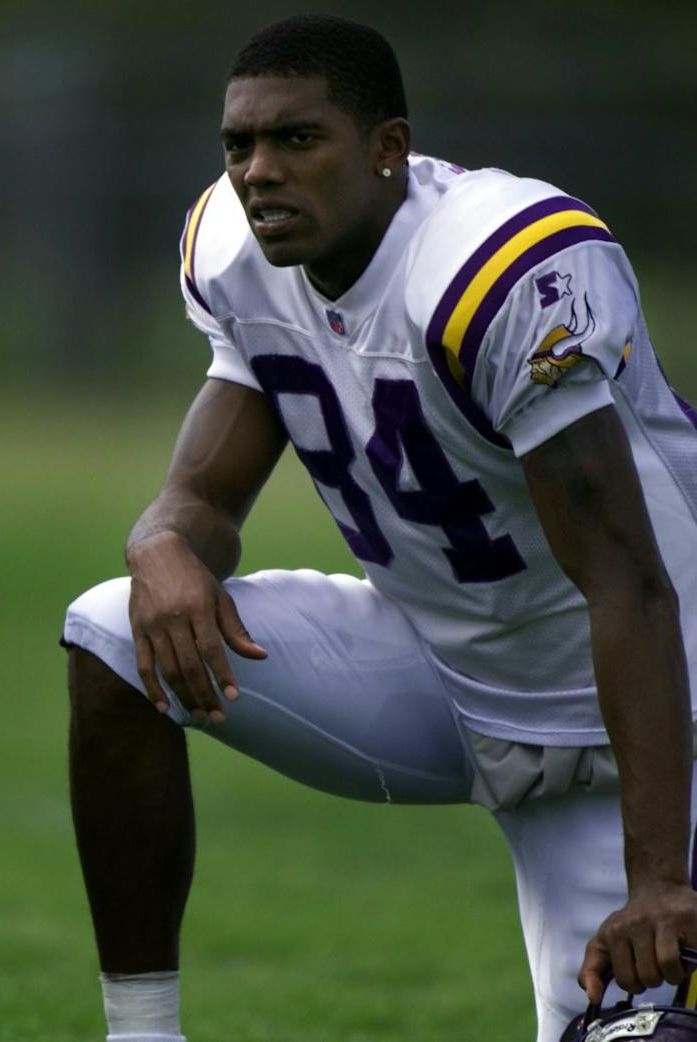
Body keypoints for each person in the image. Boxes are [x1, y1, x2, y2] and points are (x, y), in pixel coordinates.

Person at [62, 14, 697, 1042]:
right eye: (238, 145)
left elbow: (628, 583)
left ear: (386, 148)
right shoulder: (236, 253)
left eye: (296, 140)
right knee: (109, 634)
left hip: (639, 709)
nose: (258, 172)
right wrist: (158, 547)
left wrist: (658, 879)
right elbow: (201, 498)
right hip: (438, 670)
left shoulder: (498, 270)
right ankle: (142, 1033)